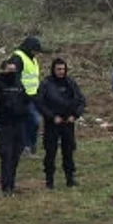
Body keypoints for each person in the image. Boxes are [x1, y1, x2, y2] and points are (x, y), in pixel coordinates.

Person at [37, 58, 84, 189]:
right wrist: (52, 117)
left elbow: (81, 100)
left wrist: (75, 115)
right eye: (58, 69)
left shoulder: (71, 83)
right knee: (50, 152)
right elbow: (40, 103)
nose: (61, 72)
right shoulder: (46, 84)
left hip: (68, 122)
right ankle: (49, 180)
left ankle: (70, 178)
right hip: (52, 123)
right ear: (53, 69)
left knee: (68, 151)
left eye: (63, 69)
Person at [0, 59, 29, 194]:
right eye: (9, 71)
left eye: (14, 71)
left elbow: (24, 99)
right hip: (4, 125)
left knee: (16, 155)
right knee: (6, 155)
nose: (12, 73)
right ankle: (6, 186)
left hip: (19, 124)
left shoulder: (18, 83)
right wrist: (2, 99)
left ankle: (11, 183)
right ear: (3, 70)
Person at [12, 36, 41, 156]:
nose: (37, 53)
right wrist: (22, 93)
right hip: (22, 97)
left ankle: (29, 145)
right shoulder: (17, 58)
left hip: (33, 96)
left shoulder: (32, 58)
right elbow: (15, 78)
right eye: (35, 50)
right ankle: (26, 146)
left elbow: (33, 77)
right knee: (32, 120)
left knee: (32, 122)